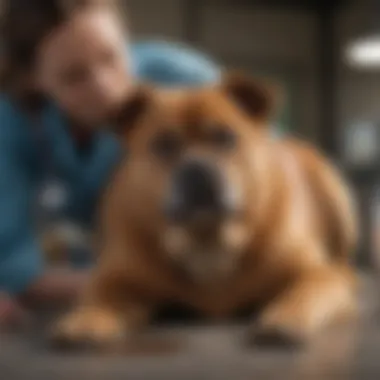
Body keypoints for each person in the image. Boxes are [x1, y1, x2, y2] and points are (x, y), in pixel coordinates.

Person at [0, 0, 220, 325]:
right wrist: (147, 287)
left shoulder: (187, 81)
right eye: (74, 76)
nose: (105, 88)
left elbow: (269, 171)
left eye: (111, 57)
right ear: (34, 78)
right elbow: (13, 261)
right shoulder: (11, 121)